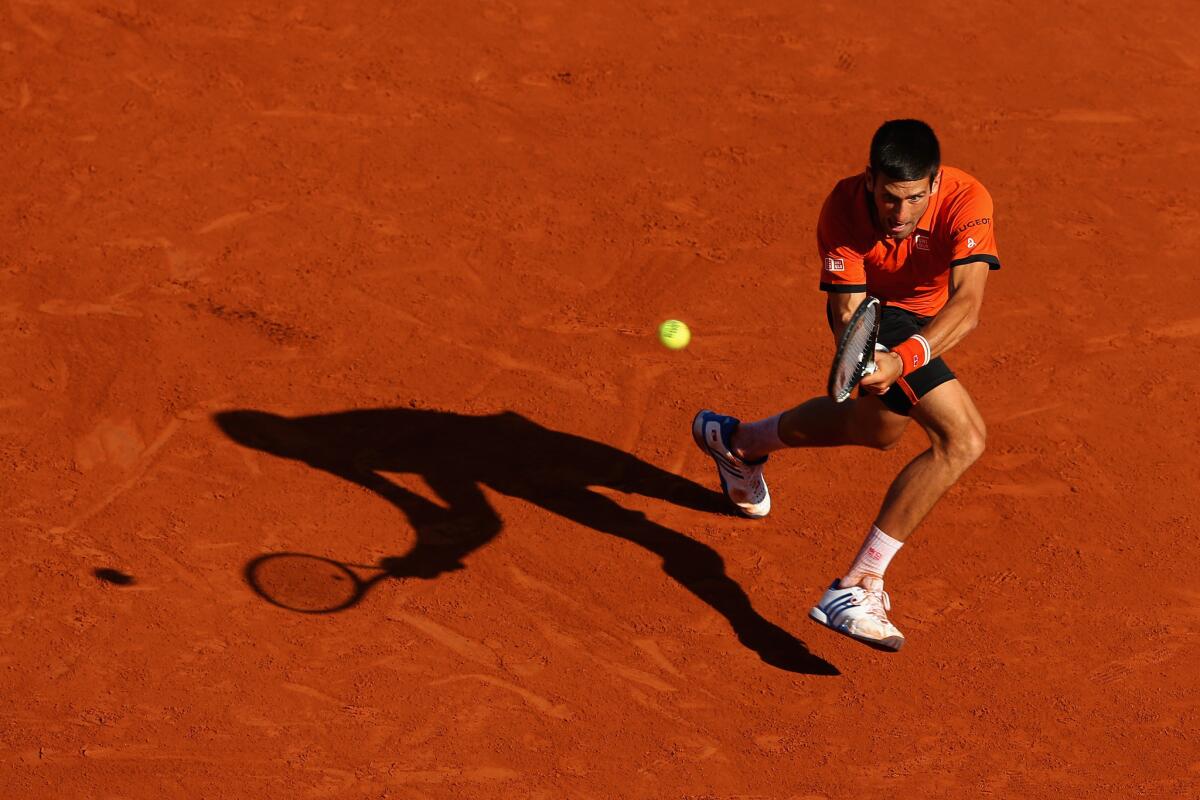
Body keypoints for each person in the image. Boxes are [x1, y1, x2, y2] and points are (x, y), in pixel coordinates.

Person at [692, 119, 999, 652]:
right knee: (963, 439)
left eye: (912, 199)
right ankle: (858, 585)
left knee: (875, 430)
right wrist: (864, 359)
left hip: (914, 336)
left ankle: (740, 443)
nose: (897, 215)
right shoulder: (842, 207)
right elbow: (847, 311)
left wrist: (900, 363)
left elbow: (967, 304)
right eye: (887, 198)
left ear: (934, 183)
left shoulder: (967, 199)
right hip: (876, 319)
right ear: (869, 180)